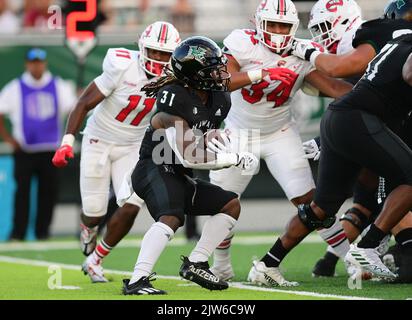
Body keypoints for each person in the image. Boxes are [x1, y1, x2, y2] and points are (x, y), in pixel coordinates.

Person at [207, 0, 353, 285]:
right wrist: (260, 73)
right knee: (223, 202)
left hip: (280, 133)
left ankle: (350, 259)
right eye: (271, 24)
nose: (276, 31)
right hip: (240, 132)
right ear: (258, 23)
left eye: (283, 25)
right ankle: (221, 265)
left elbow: (335, 88)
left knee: (310, 201)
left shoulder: (300, 52)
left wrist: (376, 90)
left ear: (293, 28)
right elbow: (222, 80)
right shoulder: (242, 42)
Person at [253, 31, 412, 283]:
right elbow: (409, 73)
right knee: (409, 177)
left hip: (339, 118)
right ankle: (367, 246)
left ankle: (268, 263)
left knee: (321, 207)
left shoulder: (395, 44)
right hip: (360, 120)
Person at [122, 36, 259, 295]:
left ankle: (196, 262)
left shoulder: (219, 100)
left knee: (230, 204)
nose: (222, 73)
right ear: (194, 75)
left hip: (178, 173)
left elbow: (199, 142)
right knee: (172, 216)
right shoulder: (172, 98)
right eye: (213, 69)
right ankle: (137, 280)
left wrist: (214, 140)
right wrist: (233, 158)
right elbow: (189, 156)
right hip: (155, 167)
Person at [52, 21, 181, 282]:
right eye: (153, 51)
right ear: (142, 47)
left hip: (133, 145)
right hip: (98, 140)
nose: (157, 59)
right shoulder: (122, 65)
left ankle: (96, 259)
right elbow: (84, 102)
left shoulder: (176, 77)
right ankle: (88, 228)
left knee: (132, 204)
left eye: (164, 54)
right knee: (94, 211)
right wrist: (66, 141)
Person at [299, 0, 412, 278]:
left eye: (325, 27)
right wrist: (308, 53)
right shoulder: (390, 42)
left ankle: (319, 260)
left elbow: (350, 89)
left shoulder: (383, 41)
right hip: (369, 126)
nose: (323, 33)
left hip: (359, 124)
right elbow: (348, 82)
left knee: (345, 204)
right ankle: (373, 247)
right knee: (390, 190)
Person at [0, 47, 76, 240]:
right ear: (27, 64)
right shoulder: (15, 87)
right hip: (25, 149)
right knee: (22, 193)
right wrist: (8, 139)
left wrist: (66, 137)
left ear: (45, 64)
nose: (37, 66)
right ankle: (18, 232)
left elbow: (73, 110)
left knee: (48, 193)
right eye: (33, 63)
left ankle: (43, 232)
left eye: (40, 62)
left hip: (51, 149)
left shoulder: (58, 85)